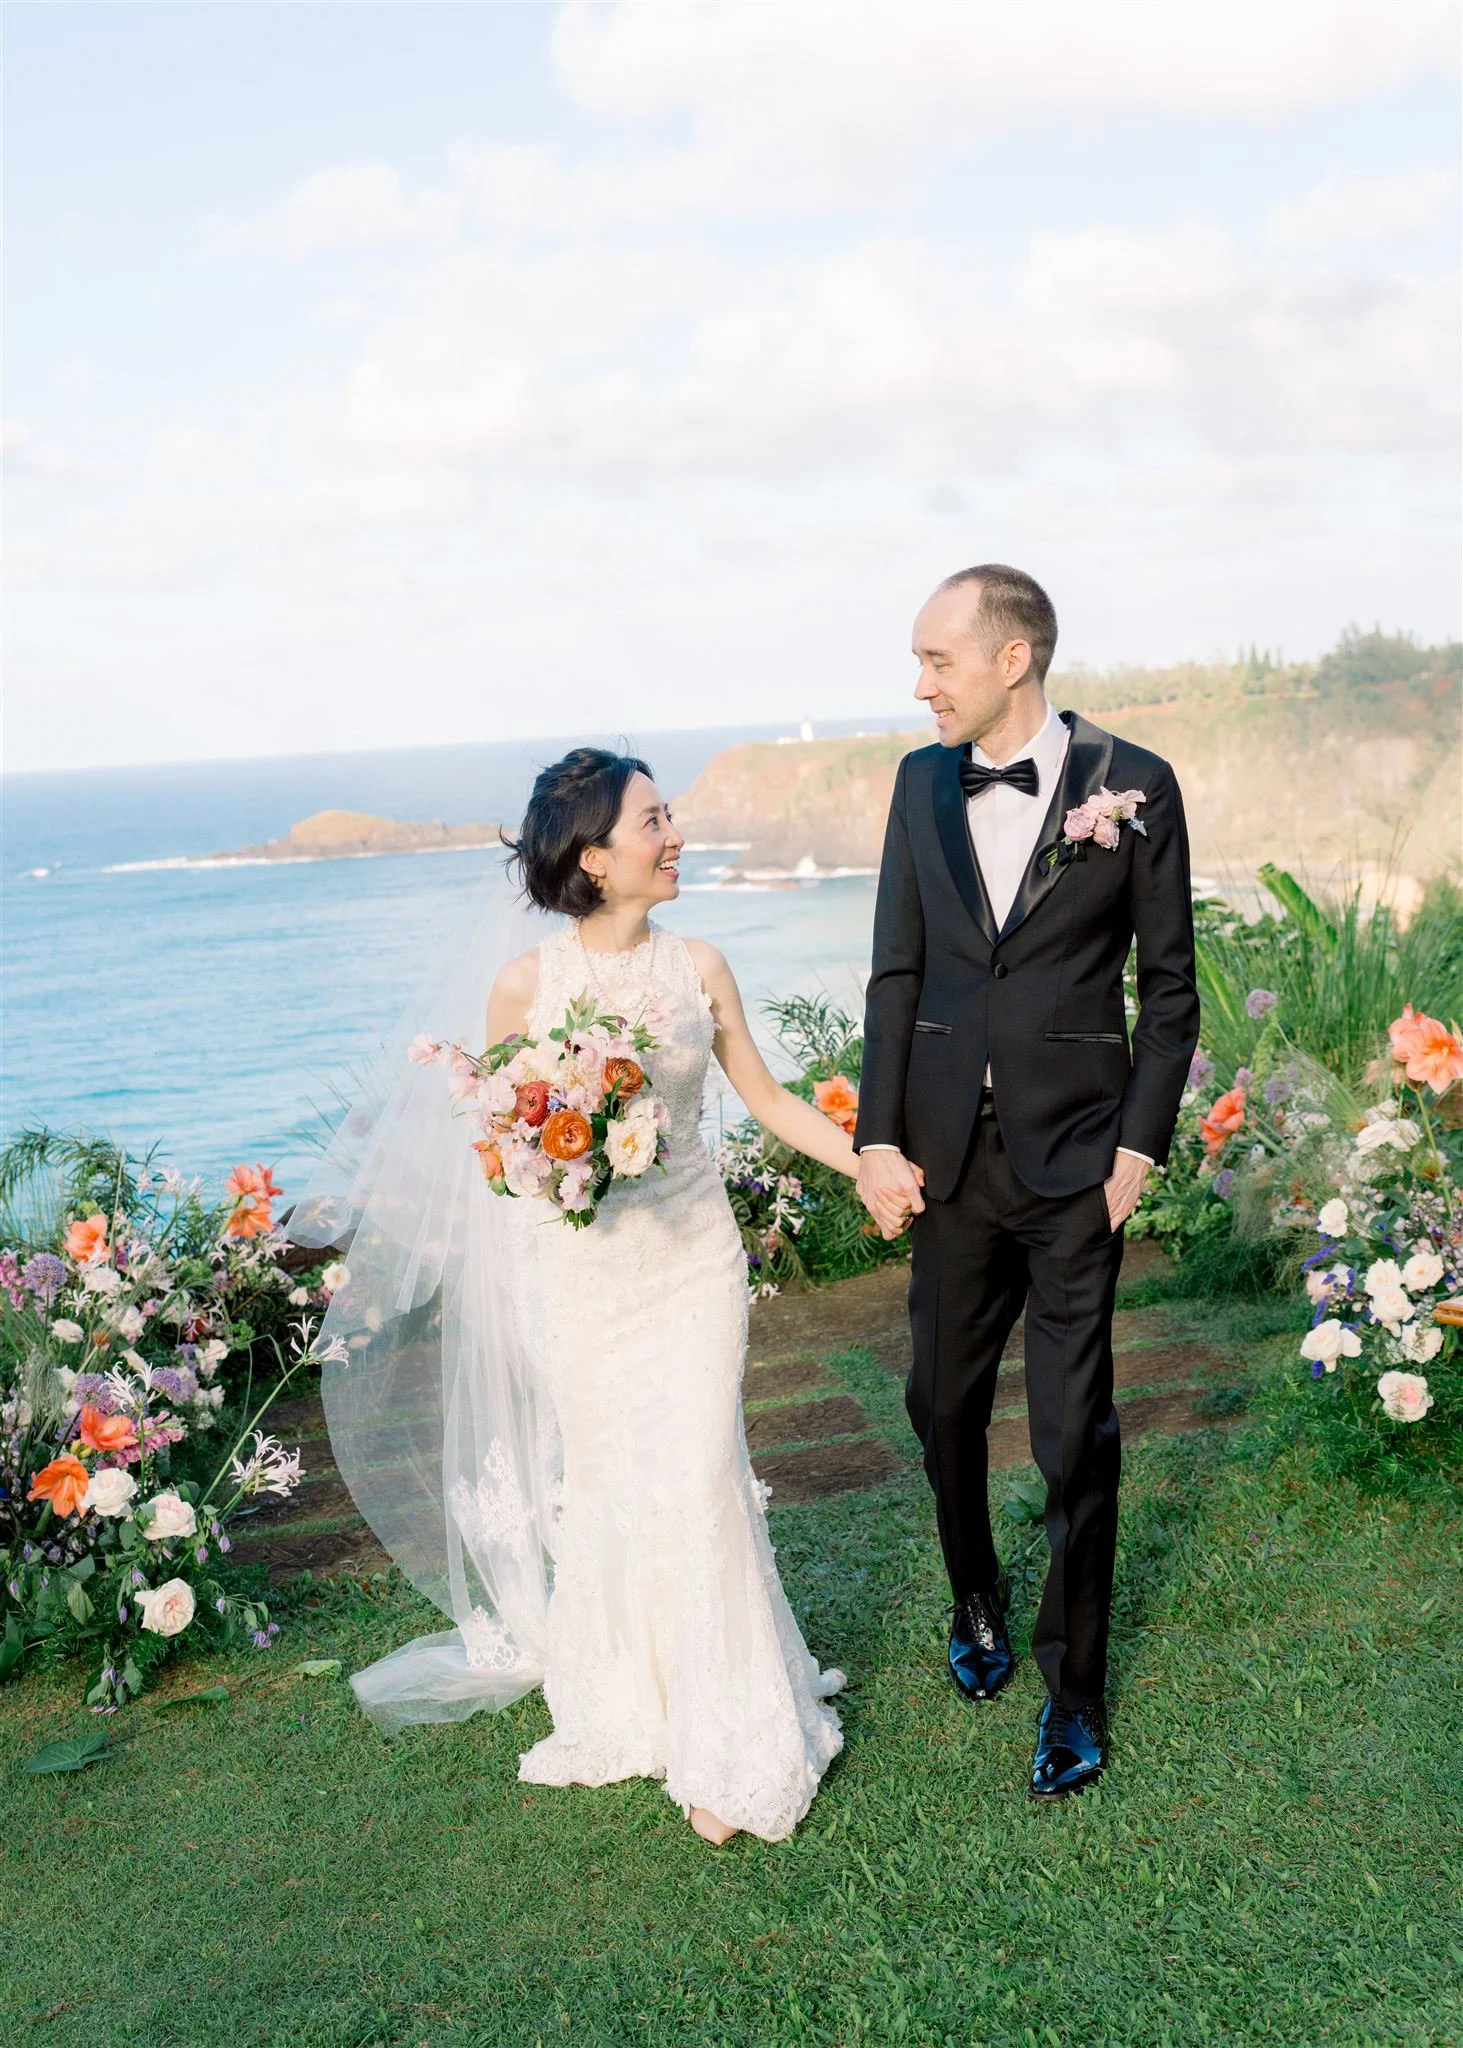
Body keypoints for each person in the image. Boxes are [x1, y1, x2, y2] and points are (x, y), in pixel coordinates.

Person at [294, 747, 860, 1847]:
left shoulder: (700, 964)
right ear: (595, 857)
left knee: (699, 1474)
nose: (675, 833)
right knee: (616, 1482)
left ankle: (731, 1739)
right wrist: (566, 1162)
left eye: (669, 814)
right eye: (654, 820)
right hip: (585, 1279)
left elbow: (769, 1096)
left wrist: (864, 1164)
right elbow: (498, 1147)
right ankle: (634, 1700)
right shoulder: (527, 984)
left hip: (694, 1257)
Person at [853, 565, 1199, 1799]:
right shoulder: (912, 783)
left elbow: (1168, 989)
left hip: (1074, 1166)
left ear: (1011, 658)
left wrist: (1137, 1151)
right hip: (944, 1160)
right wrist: (874, 1136)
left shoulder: (1134, 783)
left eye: (936, 658)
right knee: (938, 1404)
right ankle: (973, 1594)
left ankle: (1073, 1684)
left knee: (1072, 1433)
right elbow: (894, 973)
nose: (919, 682)